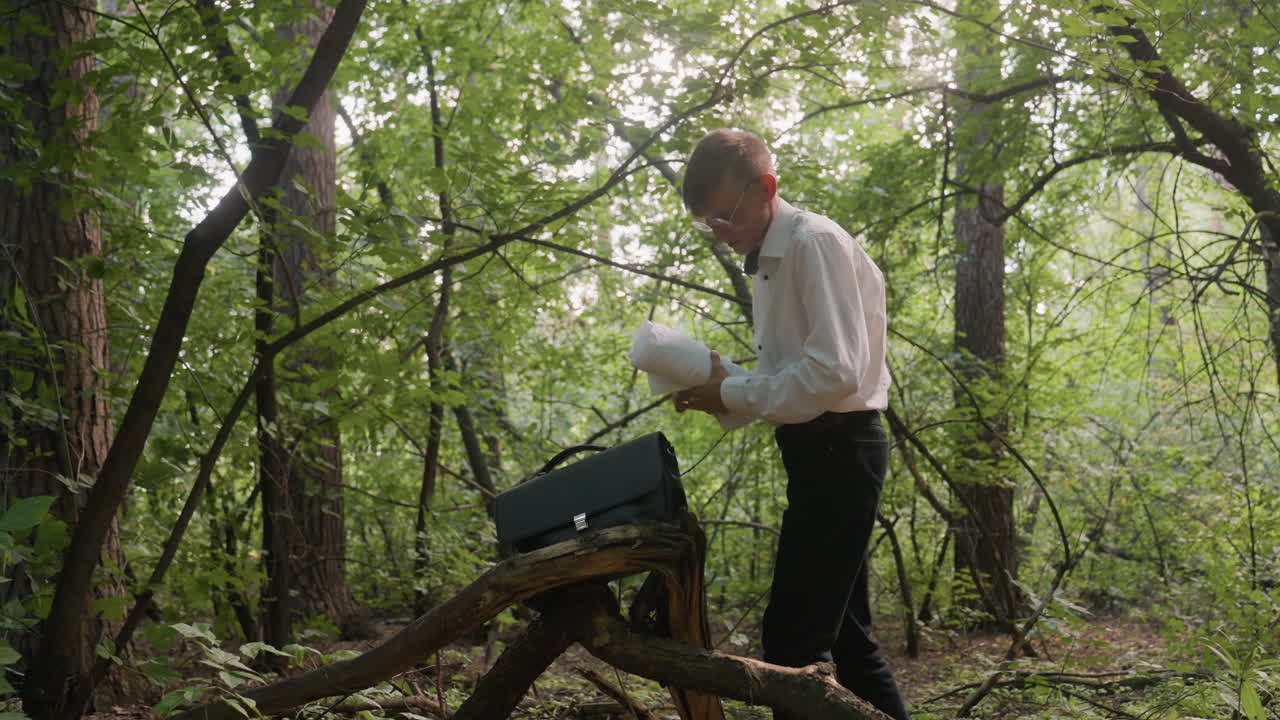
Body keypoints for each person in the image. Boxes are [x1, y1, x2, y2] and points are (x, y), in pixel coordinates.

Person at [674, 128, 909, 720]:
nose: (722, 234)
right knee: (850, 645)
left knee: (792, 646)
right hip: (816, 452)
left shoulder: (812, 244)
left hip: (840, 451)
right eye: (710, 224)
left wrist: (733, 389)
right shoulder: (770, 262)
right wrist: (719, 388)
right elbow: (791, 374)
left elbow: (834, 374)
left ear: (768, 188)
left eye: (726, 215)